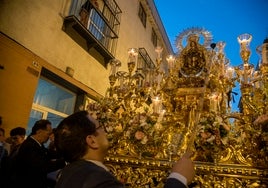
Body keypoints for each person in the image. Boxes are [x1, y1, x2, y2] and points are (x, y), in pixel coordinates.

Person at [54, 110, 195, 188]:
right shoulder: (99, 181)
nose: (105, 131)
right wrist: (178, 178)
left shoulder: (67, 172)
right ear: (92, 141)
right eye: (100, 127)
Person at [12, 119, 66, 188]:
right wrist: (64, 162)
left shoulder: (37, 144)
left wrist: (67, 153)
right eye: (48, 134)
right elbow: (43, 166)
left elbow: (49, 153)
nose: (49, 137)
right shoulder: (29, 146)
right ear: (39, 131)